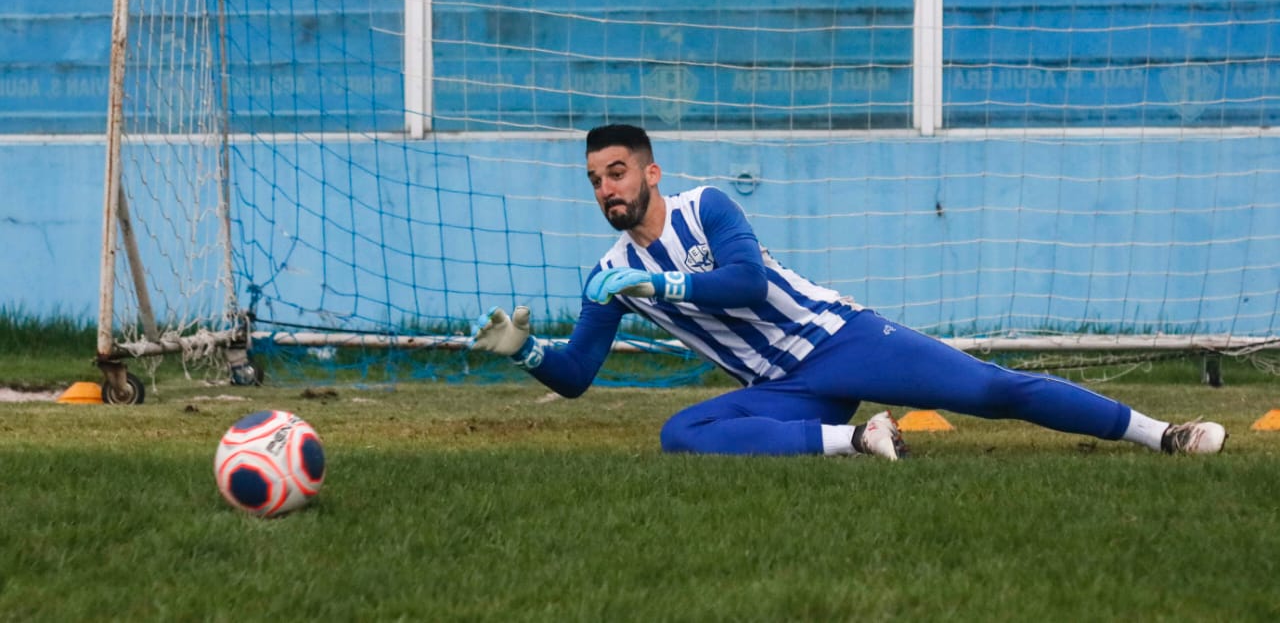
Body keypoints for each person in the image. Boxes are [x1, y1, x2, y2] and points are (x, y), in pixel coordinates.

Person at [471, 123, 1227, 459]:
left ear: (650, 172)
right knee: (679, 434)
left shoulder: (707, 205)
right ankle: (858, 440)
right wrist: (526, 349)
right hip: (786, 388)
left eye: (618, 172)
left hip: (841, 339)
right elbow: (575, 377)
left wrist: (663, 278)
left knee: (993, 389)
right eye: (596, 179)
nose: (608, 188)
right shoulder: (607, 276)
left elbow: (747, 281)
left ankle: (1163, 433)